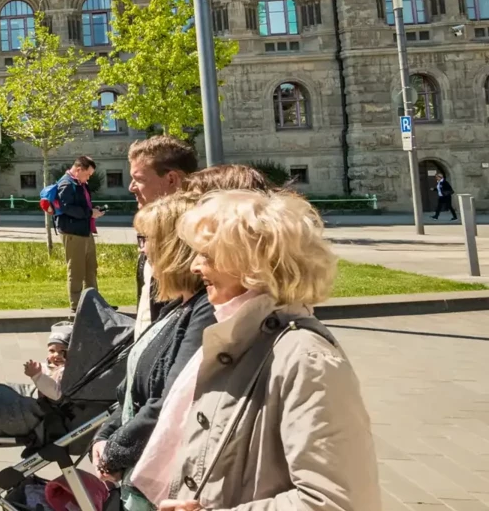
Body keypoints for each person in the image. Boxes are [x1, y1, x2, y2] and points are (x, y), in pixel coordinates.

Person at [141, 191, 380, 510]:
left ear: (253, 263)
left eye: (207, 255)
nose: (196, 266)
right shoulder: (239, 336)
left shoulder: (305, 358)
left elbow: (335, 501)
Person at [94, 166, 272, 495]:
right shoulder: (181, 306)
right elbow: (134, 390)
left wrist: (115, 450)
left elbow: (174, 398)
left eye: (146, 240)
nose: (142, 250)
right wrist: (106, 435)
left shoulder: (206, 310)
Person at [126, 136, 199, 327]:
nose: (131, 188)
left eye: (138, 179)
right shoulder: (152, 230)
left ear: (171, 179)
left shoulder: (197, 240)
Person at [54, 156, 107, 311]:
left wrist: (93, 210)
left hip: (85, 231)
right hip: (73, 232)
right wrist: (90, 213)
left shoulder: (79, 183)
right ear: (78, 170)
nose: (88, 177)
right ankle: (77, 305)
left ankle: (95, 304)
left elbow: (81, 205)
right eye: (87, 174)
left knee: (91, 268)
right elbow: (66, 208)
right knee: (76, 270)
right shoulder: (66, 184)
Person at [23, 324, 70, 401]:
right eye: (52, 351)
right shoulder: (47, 365)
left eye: (62, 351)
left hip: (50, 406)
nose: (57, 355)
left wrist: (37, 376)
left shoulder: (66, 371)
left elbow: (55, 393)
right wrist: (34, 370)